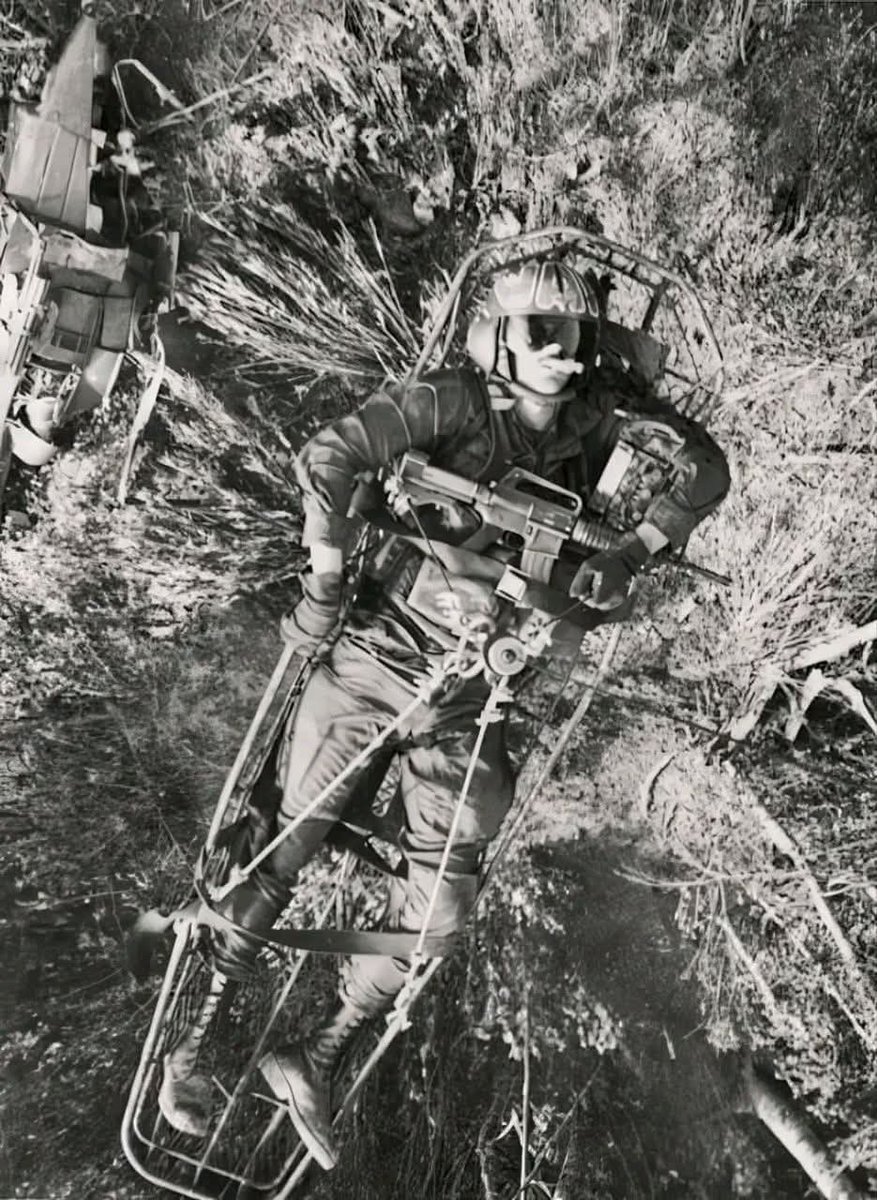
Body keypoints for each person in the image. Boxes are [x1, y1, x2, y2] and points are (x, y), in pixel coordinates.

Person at [161, 259, 731, 1168]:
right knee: (279, 839)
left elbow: (705, 472)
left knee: (441, 909)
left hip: (479, 691)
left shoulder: (602, 419)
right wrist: (323, 583)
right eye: (541, 333)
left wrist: (629, 552)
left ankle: (316, 1054)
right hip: (382, 652)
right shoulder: (450, 404)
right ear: (502, 339)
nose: (560, 353)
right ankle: (194, 1047)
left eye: (576, 337)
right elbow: (330, 454)